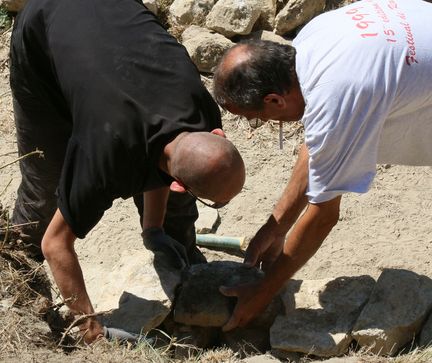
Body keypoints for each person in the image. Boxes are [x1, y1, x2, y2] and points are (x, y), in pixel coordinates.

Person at [9, 0, 245, 343]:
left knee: (174, 213)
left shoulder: (201, 109)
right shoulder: (105, 154)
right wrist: (93, 331)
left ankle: (184, 279)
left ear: (218, 135)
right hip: (44, 30)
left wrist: (154, 229)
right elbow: (56, 245)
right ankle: (19, 290)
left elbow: (163, 156)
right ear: (177, 183)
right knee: (44, 190)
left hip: (108, 30)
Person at [213, 0, 432, 331]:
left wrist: (262, 292)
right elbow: (317, 146)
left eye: (257, 118)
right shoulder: (309, 44)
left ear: (274, 99)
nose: (264, 123)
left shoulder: (335, 96)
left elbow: (322, 217)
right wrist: (276, 227)